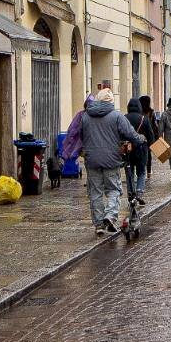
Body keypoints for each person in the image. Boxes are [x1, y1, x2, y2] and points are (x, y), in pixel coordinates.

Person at [62, 88, 144, 235]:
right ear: (111, 101)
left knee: (95, 192)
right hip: (111, 159)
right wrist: (141, 139)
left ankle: (99, 224)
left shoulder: (85, 117)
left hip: (91, 159)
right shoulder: (117, 116)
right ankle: (110, 216)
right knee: (114, 189)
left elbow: (79, 135)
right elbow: (130, 134)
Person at [126, 95, 160, 200]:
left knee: (129, 172)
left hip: (128, 149)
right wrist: (150, 146)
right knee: (141, 172)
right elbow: (150, 135)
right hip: (141, 149)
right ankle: (139, 192)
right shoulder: (144, 119)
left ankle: (131, 192)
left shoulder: (124, 118)